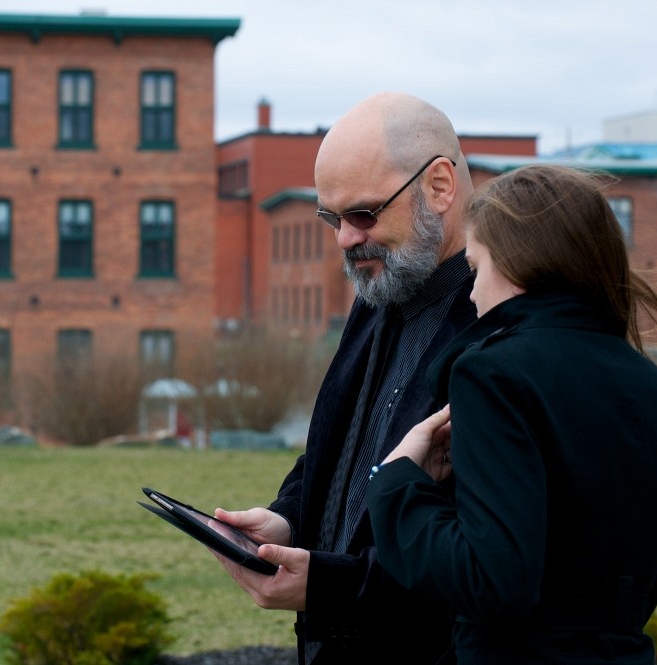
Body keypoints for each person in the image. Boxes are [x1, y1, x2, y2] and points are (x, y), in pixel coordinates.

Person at [366, 164, 657, 664]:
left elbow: (492, 581)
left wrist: (396, 482)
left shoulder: (493, 374)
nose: (472, 292)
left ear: (517, 264)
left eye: (476, 268)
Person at [212, 91, 477, 664]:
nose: (345, 239)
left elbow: (480, 557)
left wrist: (334, 586)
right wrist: (288, 518)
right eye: (331, 219)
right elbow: (338, 449)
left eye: (363, 214)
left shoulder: (498, 327)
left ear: (439, 186)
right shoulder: (378, 295)